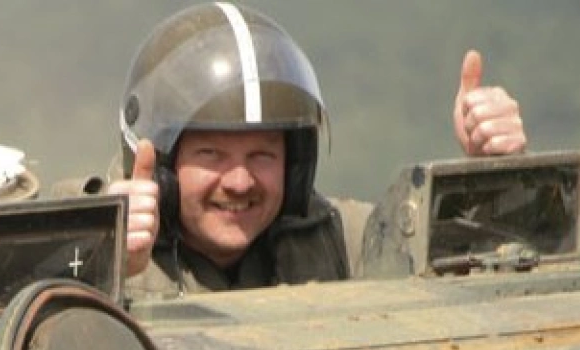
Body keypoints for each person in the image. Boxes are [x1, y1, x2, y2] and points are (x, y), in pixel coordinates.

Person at [104, 3, 529, 299]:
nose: (239, 181)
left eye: (262, 155)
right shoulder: (83, 235)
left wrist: (491, 175)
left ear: (295, 169)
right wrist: (106, 257)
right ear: (161, 166)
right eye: (212, 154)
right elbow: (41, 290)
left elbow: (474, 273)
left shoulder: (337, 239)